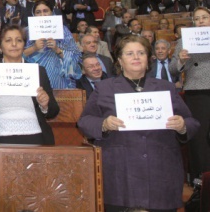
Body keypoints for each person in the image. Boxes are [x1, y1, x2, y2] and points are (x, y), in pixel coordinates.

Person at [78, 35, 199, 211]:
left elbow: (192, 122)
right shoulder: (104, 88)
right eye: (130, 53)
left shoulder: (166, 87)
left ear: (148, 58)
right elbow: (85, 122)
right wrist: (104, 124)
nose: (136, 57)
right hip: (121, 172)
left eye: (141, 53)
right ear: (120, 60)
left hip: (161, 170)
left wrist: (182, 126)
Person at [0, 25, 59, 144]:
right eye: (8, 40)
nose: (14, 44)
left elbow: (53, 111)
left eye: (19, 40)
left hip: (35, 135)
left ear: (24, 45)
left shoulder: (38, 71)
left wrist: (45, 105)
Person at [170, 7, 210, 178]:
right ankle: (203, 178)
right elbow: (173, 69)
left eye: (204, 17)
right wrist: (181, 60)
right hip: (197, 91)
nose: (201, 21)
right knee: (201, 138)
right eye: (197, 18)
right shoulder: (184, 41)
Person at [24, 1, 82, 89]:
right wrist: (34, 48)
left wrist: (57, 49)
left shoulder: (63, 31)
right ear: (33, 14)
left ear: (52, 12)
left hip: (60, 78)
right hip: (34, 78)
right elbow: (16, 56)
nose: (42, 15)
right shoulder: (26, 32)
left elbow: (75, 56)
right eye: (38, 12)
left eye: (45, 11)